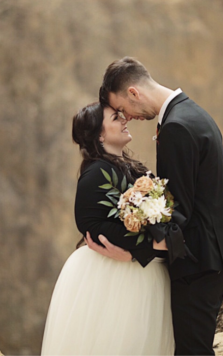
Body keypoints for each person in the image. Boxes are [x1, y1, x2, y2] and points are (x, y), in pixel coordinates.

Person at [87, 57, 223, 355]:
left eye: (122, 109)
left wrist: (133, 250)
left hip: (197, 262)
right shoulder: (192, 112)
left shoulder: (176, 127)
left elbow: (177, 212)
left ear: (133, 93)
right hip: (211, 255)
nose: (126, 117)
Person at [41, 102, 175, 355]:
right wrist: (145, 247)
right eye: (116, 117)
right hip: (113, 275)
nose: (124, 120)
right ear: (99, 135)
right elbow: (90, 225)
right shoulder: (96, 173)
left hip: (143, 269)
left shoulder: (132, 168)